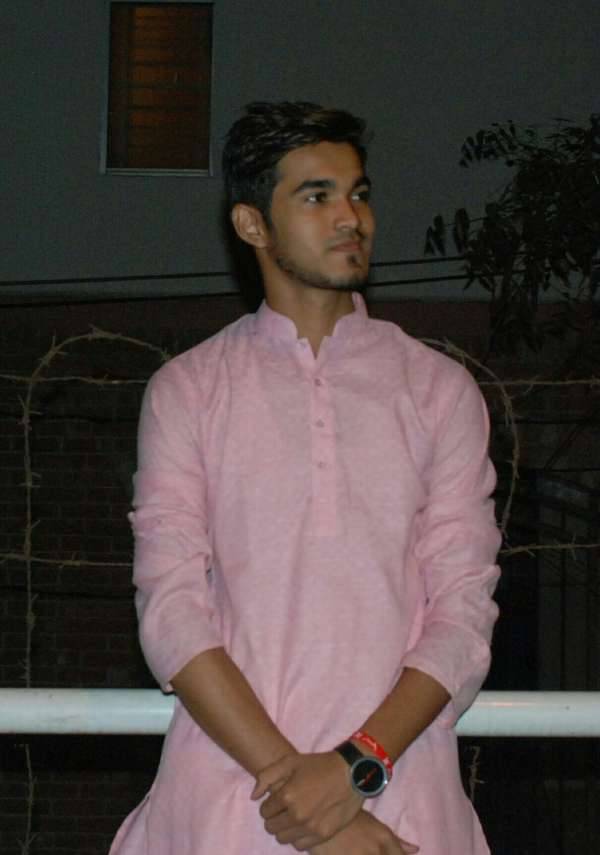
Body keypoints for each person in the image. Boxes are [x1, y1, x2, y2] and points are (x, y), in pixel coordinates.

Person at [109, 101, 501, 855]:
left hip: (404, 795)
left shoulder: (438, 390)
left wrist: (357, 766)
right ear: (252, 224)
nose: (351, 217)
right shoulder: (191, 390)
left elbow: (463, 612)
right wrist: (313, 799)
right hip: (232, 800)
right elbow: (172, 609)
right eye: (317, 196)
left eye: (359, 193)